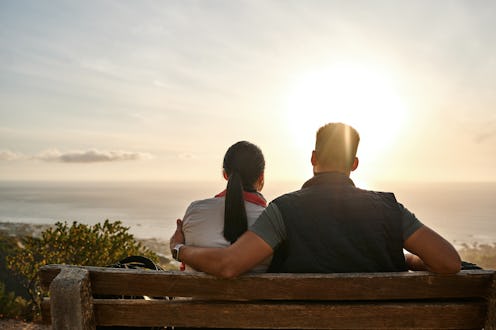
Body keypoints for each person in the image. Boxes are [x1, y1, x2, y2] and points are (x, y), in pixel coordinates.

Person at [170, 123, 461, 277]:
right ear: (355, 163)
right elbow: (449, 262)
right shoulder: (389, 209)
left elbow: (229, 265)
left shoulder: (284, 210)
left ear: (313, 158)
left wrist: (179, 249)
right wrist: (408, 260)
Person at [177, 140, 271, 272]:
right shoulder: (271, 221)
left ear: (225, 174)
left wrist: (177, 248)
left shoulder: (195, 211)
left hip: (197, 293)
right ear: (261, 177)